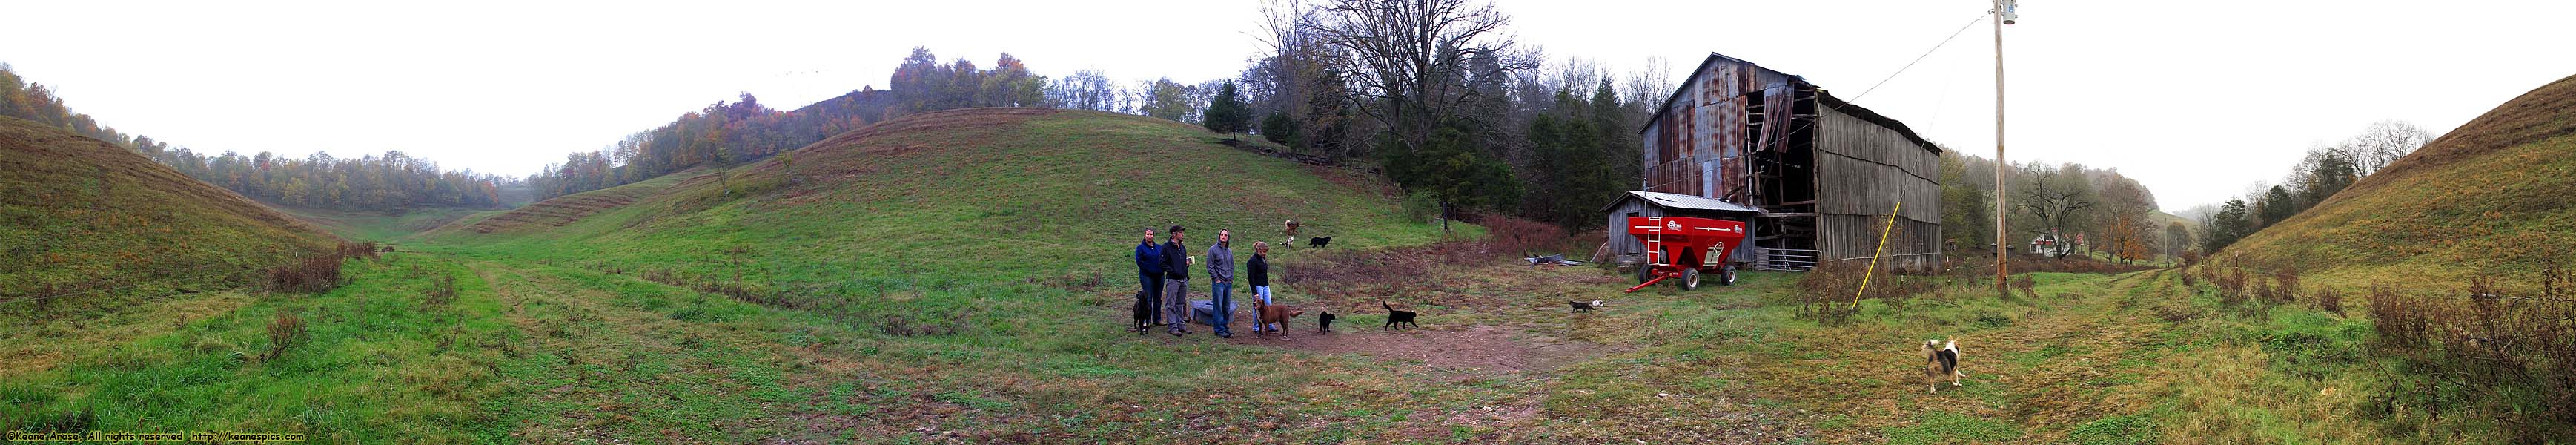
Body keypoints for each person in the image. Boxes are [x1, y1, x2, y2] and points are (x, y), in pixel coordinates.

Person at [1159, 225, 1191, 336]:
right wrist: (1173, 271)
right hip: (1173, 280)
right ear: (1174, 234)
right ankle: (1172, 326)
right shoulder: (1166, 247)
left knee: (1180, 303)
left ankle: (1181, 325)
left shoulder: (1182, 248)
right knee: (1171, 303)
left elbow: (1184, 262)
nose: (1182, 234)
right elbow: (1162, 263)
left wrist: (1186, 269)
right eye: (1180, 232)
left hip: (1183, 279)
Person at [1205, 229, 1236, 338]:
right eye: (1222, 235)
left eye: (1225, 235)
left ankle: (1225, 327)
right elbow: (1210, 266)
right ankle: (1218, 329)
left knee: (1226, 307)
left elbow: (1232, 266)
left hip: (1228, 282)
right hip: (1218, 283)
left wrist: (1231, 278)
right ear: (1219, 237)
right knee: (1218, 306)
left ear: (1228, 237)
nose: (1223, 236)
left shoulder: (1229, 251)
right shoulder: (1212, 250)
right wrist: (1216, 279)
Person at [1133, 228, 1163, 326]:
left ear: (1154, 236)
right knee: (1148, 298)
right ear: (1145, 235)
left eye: (1151, 234)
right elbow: (1139, 262)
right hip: (1147, 276)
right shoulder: (1140, 248)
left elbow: (1164, 259)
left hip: (1159, 276)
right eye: (1148, 234)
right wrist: (1151, 270)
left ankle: (1157, 319)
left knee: (1158, 298)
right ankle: (1147, 320)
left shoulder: (1159, 247)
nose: (1150, 236)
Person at [1248, 241, 1274, 332]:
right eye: (1264, 252)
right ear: (1258, 250)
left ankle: (1269, 325)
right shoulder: (1252, 261)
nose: (1265, 254)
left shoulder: (1263, 259)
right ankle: (1256, 326)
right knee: (1258, 307)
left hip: (1265, 285)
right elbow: (1251, 278)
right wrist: (1255, 293)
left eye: (1266, 252)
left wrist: (1267, 285)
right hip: (1257, 286)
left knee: (1268, 305)